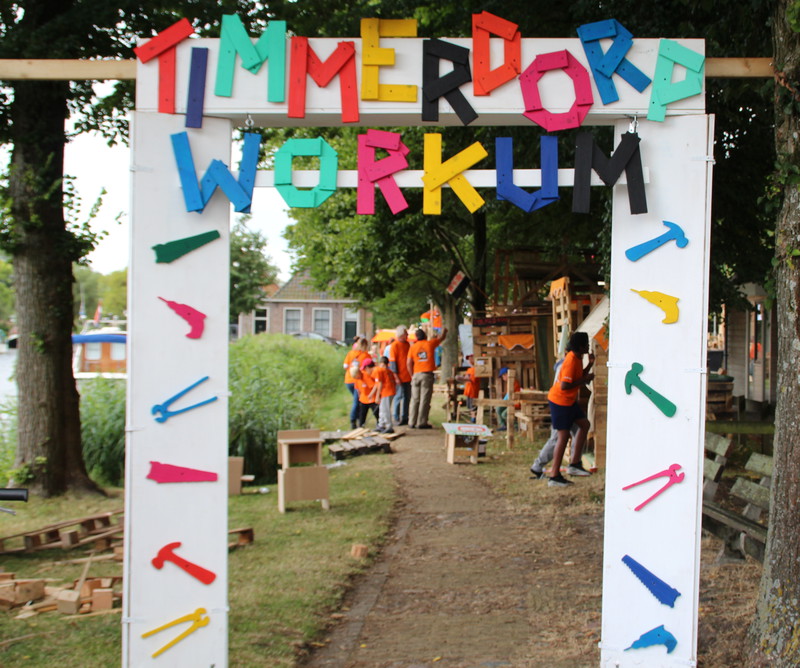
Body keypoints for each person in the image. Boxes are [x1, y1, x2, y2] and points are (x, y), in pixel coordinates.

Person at [546, 331, 595, 487]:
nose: (588, 347)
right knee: (564, 436)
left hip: (569, 401)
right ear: (580, 347)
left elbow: (578, 376)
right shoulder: (571, 360)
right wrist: (585, 379)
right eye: (586, 344)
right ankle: (554, 476)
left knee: (585, 424)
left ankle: (575, 464)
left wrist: (590, 365)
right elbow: (565, 385)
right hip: (560, 401)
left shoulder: (578, 357)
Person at [406, 326, 448, 429]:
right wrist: (444, 331)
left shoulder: (413, 347)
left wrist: (412, 375)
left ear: (416, 337)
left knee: (415, 399)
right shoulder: (429, 344)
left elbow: (408, 362)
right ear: (425, 336)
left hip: (416, 374)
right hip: (427, 375)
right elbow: (441, 338)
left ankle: (412, 421)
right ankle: (421, 422)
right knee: (424, 399)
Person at [343, 339, 370, 429]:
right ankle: (353, 420)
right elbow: (368, 367)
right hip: (358, 381)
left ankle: (358, 418)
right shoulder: (365, 355)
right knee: (357, 401)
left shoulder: (350, 353)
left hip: (348, 380)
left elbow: (345, 366)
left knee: (357, 400)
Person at [389, 326, 412, 425]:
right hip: (399, 376)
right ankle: (396, 416)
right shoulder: (394, 346)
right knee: (398, 396)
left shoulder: (407, 344)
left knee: (407, 397)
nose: (407, 335)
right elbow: (393, 363)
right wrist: (396, 376)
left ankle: (405, 416)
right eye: (406, 333)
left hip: (408, 376)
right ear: (401, 335)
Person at [372, 356, 396, 433]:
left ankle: (389, 426)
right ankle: (381, 425)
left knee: (385, 410)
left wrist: (377, 396)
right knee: (382, 409)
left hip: (387, 392)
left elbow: (380, 384)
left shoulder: (379, 370)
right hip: (391, 391)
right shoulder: (389, 371)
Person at [353, 358, 379, 427]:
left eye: (357, 377)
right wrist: (359, 397)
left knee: (376, 413)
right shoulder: (356, 379)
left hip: (371, 398)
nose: (357, 378)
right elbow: (358, 389)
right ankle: (361, 426)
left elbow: (374, 386)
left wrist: (371, 395)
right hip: (363, 398)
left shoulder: (366, 376)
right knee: (362, 414)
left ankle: (379, 424)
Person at [495, 367, 521, 431]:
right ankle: (503, 425)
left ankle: (516, 426)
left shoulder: (514, 382)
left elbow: (511, 395)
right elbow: (507, 395)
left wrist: (504, 401)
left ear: (507, 374)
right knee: (498, 409)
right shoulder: (509, 383)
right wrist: (503, 401)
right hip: (509, 402)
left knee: (504, 414)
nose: (503, 377)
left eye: (503, 375)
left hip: (515, 403)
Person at [455, 354, 479, 422]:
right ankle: (472, 417)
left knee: (473, 405)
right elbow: (466, 378)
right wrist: (462, 378)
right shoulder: (469, 369)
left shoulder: (476, 369)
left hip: (473, 390)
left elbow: (471, 379)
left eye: (471, 358)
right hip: (468, 390)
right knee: (469, 405)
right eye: (469, 359)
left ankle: (474, 418)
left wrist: (461, 378)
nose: (469, 360)